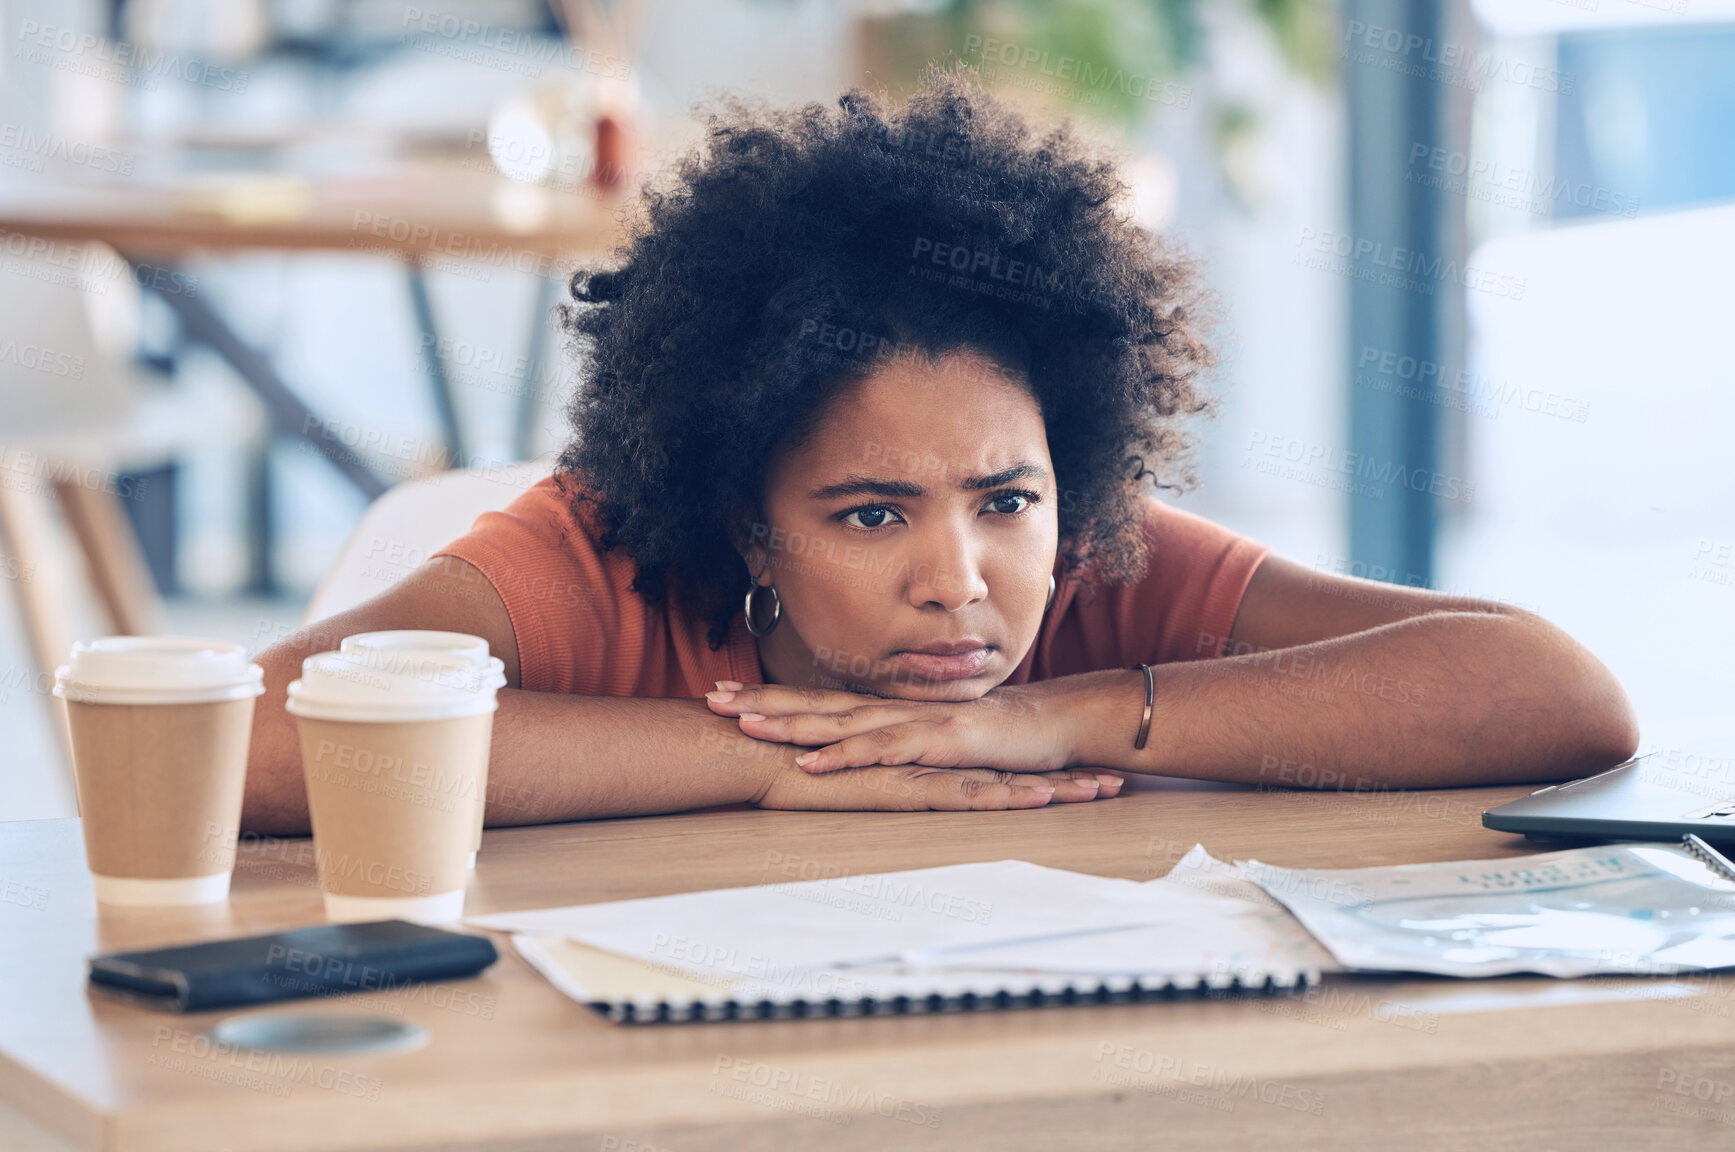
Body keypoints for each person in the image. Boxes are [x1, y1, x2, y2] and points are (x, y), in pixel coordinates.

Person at [240, 70, 1638, 835]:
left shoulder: (1087, 557)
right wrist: (772, 764)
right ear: (743, 519)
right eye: (866, 516)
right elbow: (237, 744)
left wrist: (1062, 715)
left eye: (1005, 499)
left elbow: (1555, 693)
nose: (960, 580)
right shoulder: (593, 559)